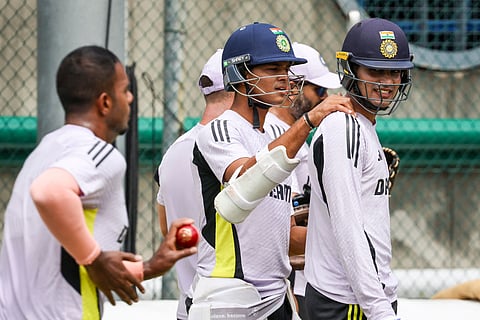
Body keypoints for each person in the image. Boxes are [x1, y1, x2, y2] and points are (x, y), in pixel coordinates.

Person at [0, 45, 196, 320]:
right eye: (125, 90)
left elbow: (64, 263)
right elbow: (48, 193)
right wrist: (93, 258)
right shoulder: (101, 155)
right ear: (105, 102)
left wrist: (149, 267)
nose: (130, 98)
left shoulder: (44, 151)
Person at [187, 22, 354, 320]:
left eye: (286, 68)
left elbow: (286, 234)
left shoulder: (278, 132)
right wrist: (308, 122)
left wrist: (349, 235)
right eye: (272, 68)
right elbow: (244, 185)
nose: (284, 78)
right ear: (239, 72)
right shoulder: (220, 129)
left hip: (277, 298)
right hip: (228, 296)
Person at [304, 18, 414, 320]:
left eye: (394, 71)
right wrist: (378, 308)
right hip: (348, 303)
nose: (387, 82)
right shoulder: (344, 127)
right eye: (375, 70)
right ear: (351, 70)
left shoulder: (362, 125)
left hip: (360, 299)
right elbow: (348, 227)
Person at [265, 41, 342, 320]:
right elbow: (284, 236)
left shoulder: (297, 137)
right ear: (294, 86)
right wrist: (351, 234)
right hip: (293, 286)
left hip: (305, 278)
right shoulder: (277, 135)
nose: (325, 98)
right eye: (319, 90)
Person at [155, 48, 234, 320]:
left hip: (188, 305)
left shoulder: (173, 152)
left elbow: (167, 228)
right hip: (231, 306)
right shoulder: (232, 152)